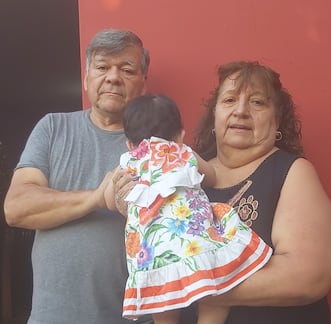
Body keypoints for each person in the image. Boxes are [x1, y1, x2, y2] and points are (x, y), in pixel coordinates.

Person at [4, 29, 153, 324]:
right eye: (101, 67)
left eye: (127, 69)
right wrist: (98, 197)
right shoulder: (52, 128)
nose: (113, 77)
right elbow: (16, 207)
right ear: (86, 78)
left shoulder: (159, 146)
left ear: (143, 83)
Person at [176, 61, 331, 324]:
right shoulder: (186, 173)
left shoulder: (291, 172)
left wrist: (201, 286)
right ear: (214, 117)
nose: (241, 111)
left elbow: (309, 275)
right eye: (229, 100)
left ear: (276, 121)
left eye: (257, 103)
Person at [105, 94, 273, 324]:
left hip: (155, 253)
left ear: (129, 144)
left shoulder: (128, 163)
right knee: (216, 288)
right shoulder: (183, 152)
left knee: (163, 301)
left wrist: (118, 194)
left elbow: (109, 198)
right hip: (194, 244)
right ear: (180, 135)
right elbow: (211, 177)